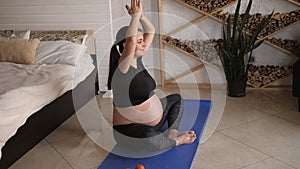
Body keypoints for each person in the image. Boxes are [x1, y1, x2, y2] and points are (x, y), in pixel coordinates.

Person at [107, 0, 196, 151]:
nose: (143, 45)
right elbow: (131, 41)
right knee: (149, 135)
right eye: (140, 42)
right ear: (126, 46)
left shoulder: (138, 59)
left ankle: (173, 132)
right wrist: (134, 18)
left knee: (176, 99)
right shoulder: (122, 68)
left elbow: (151, 31)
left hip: (156, 121)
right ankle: (177, 141)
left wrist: (140, 16)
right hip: (130, 130)